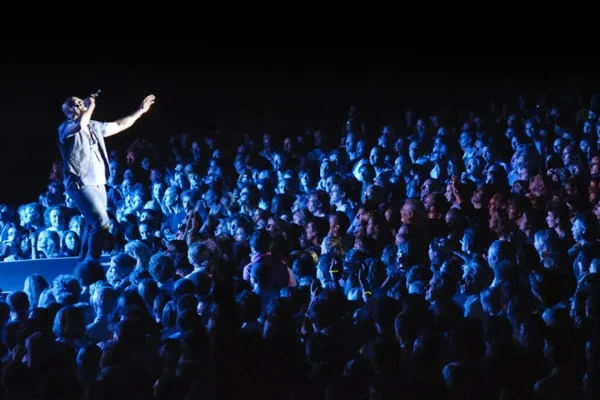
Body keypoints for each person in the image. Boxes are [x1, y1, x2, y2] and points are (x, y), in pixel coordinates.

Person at [58, 92, 156, 261]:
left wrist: (140, 111)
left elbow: (119, 124)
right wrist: (91, 106)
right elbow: (80, 125)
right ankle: (91, 264)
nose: (81, 105)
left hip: (98, 182)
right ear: (68, 112)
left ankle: (83, 263)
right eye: (76, 104)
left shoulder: (95, 126)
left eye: (82, 102)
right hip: (80, 183)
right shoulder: (65, 128)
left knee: (92, 226)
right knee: (102, 224)